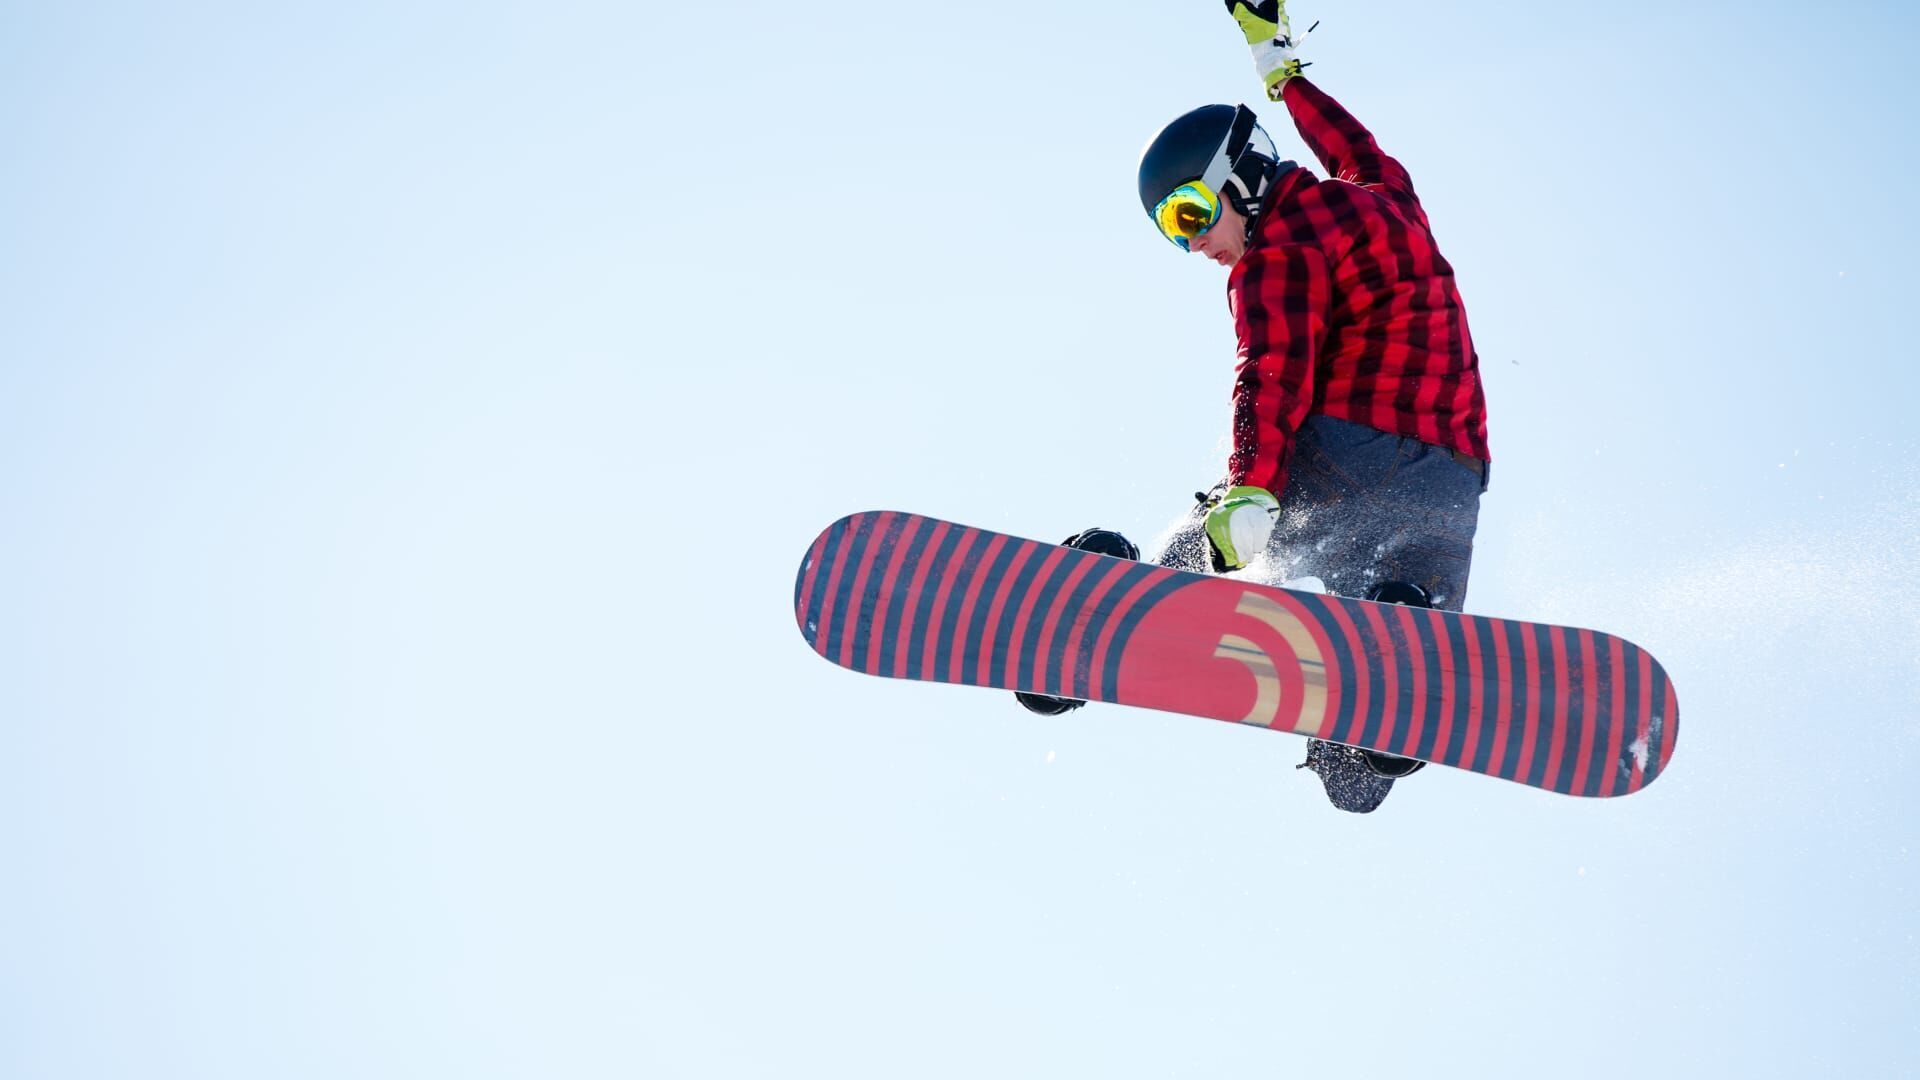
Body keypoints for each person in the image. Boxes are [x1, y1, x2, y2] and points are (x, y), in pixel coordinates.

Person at [1137, 1, 1493, 812]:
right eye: (1170, 230)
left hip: (1349, 460)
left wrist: (1251, 489)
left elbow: (1271, 372)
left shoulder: (1280, 250)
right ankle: (1382, 721)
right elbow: (1355, 148)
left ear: (1241, 181)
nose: (1191, 243)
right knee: (1355, 779)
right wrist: (1284, 73)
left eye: (1191, 213)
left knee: (1222, 537)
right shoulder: (1390, 198)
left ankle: (1129, 594)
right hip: (1451, 492)